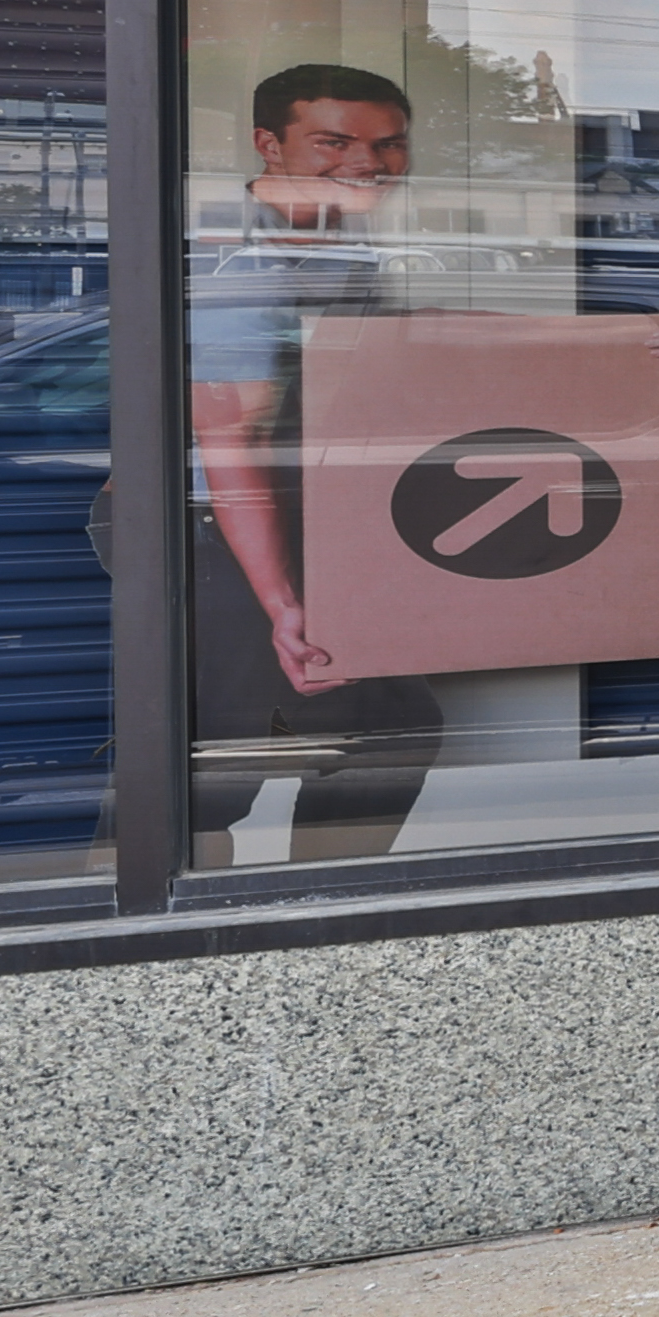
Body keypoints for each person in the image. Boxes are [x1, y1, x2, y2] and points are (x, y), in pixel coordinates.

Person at [183, 59, 440, 865]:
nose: (368, 162)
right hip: (216, 528)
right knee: (208, 774)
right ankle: (166, 937)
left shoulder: (337, 233)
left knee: (377, 732)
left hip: (305, 513)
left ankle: (315, 917)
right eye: (335, 141)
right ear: (270, 144)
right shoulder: (237, 261)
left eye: (389, 145)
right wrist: (284, 603)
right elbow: (230, 442)